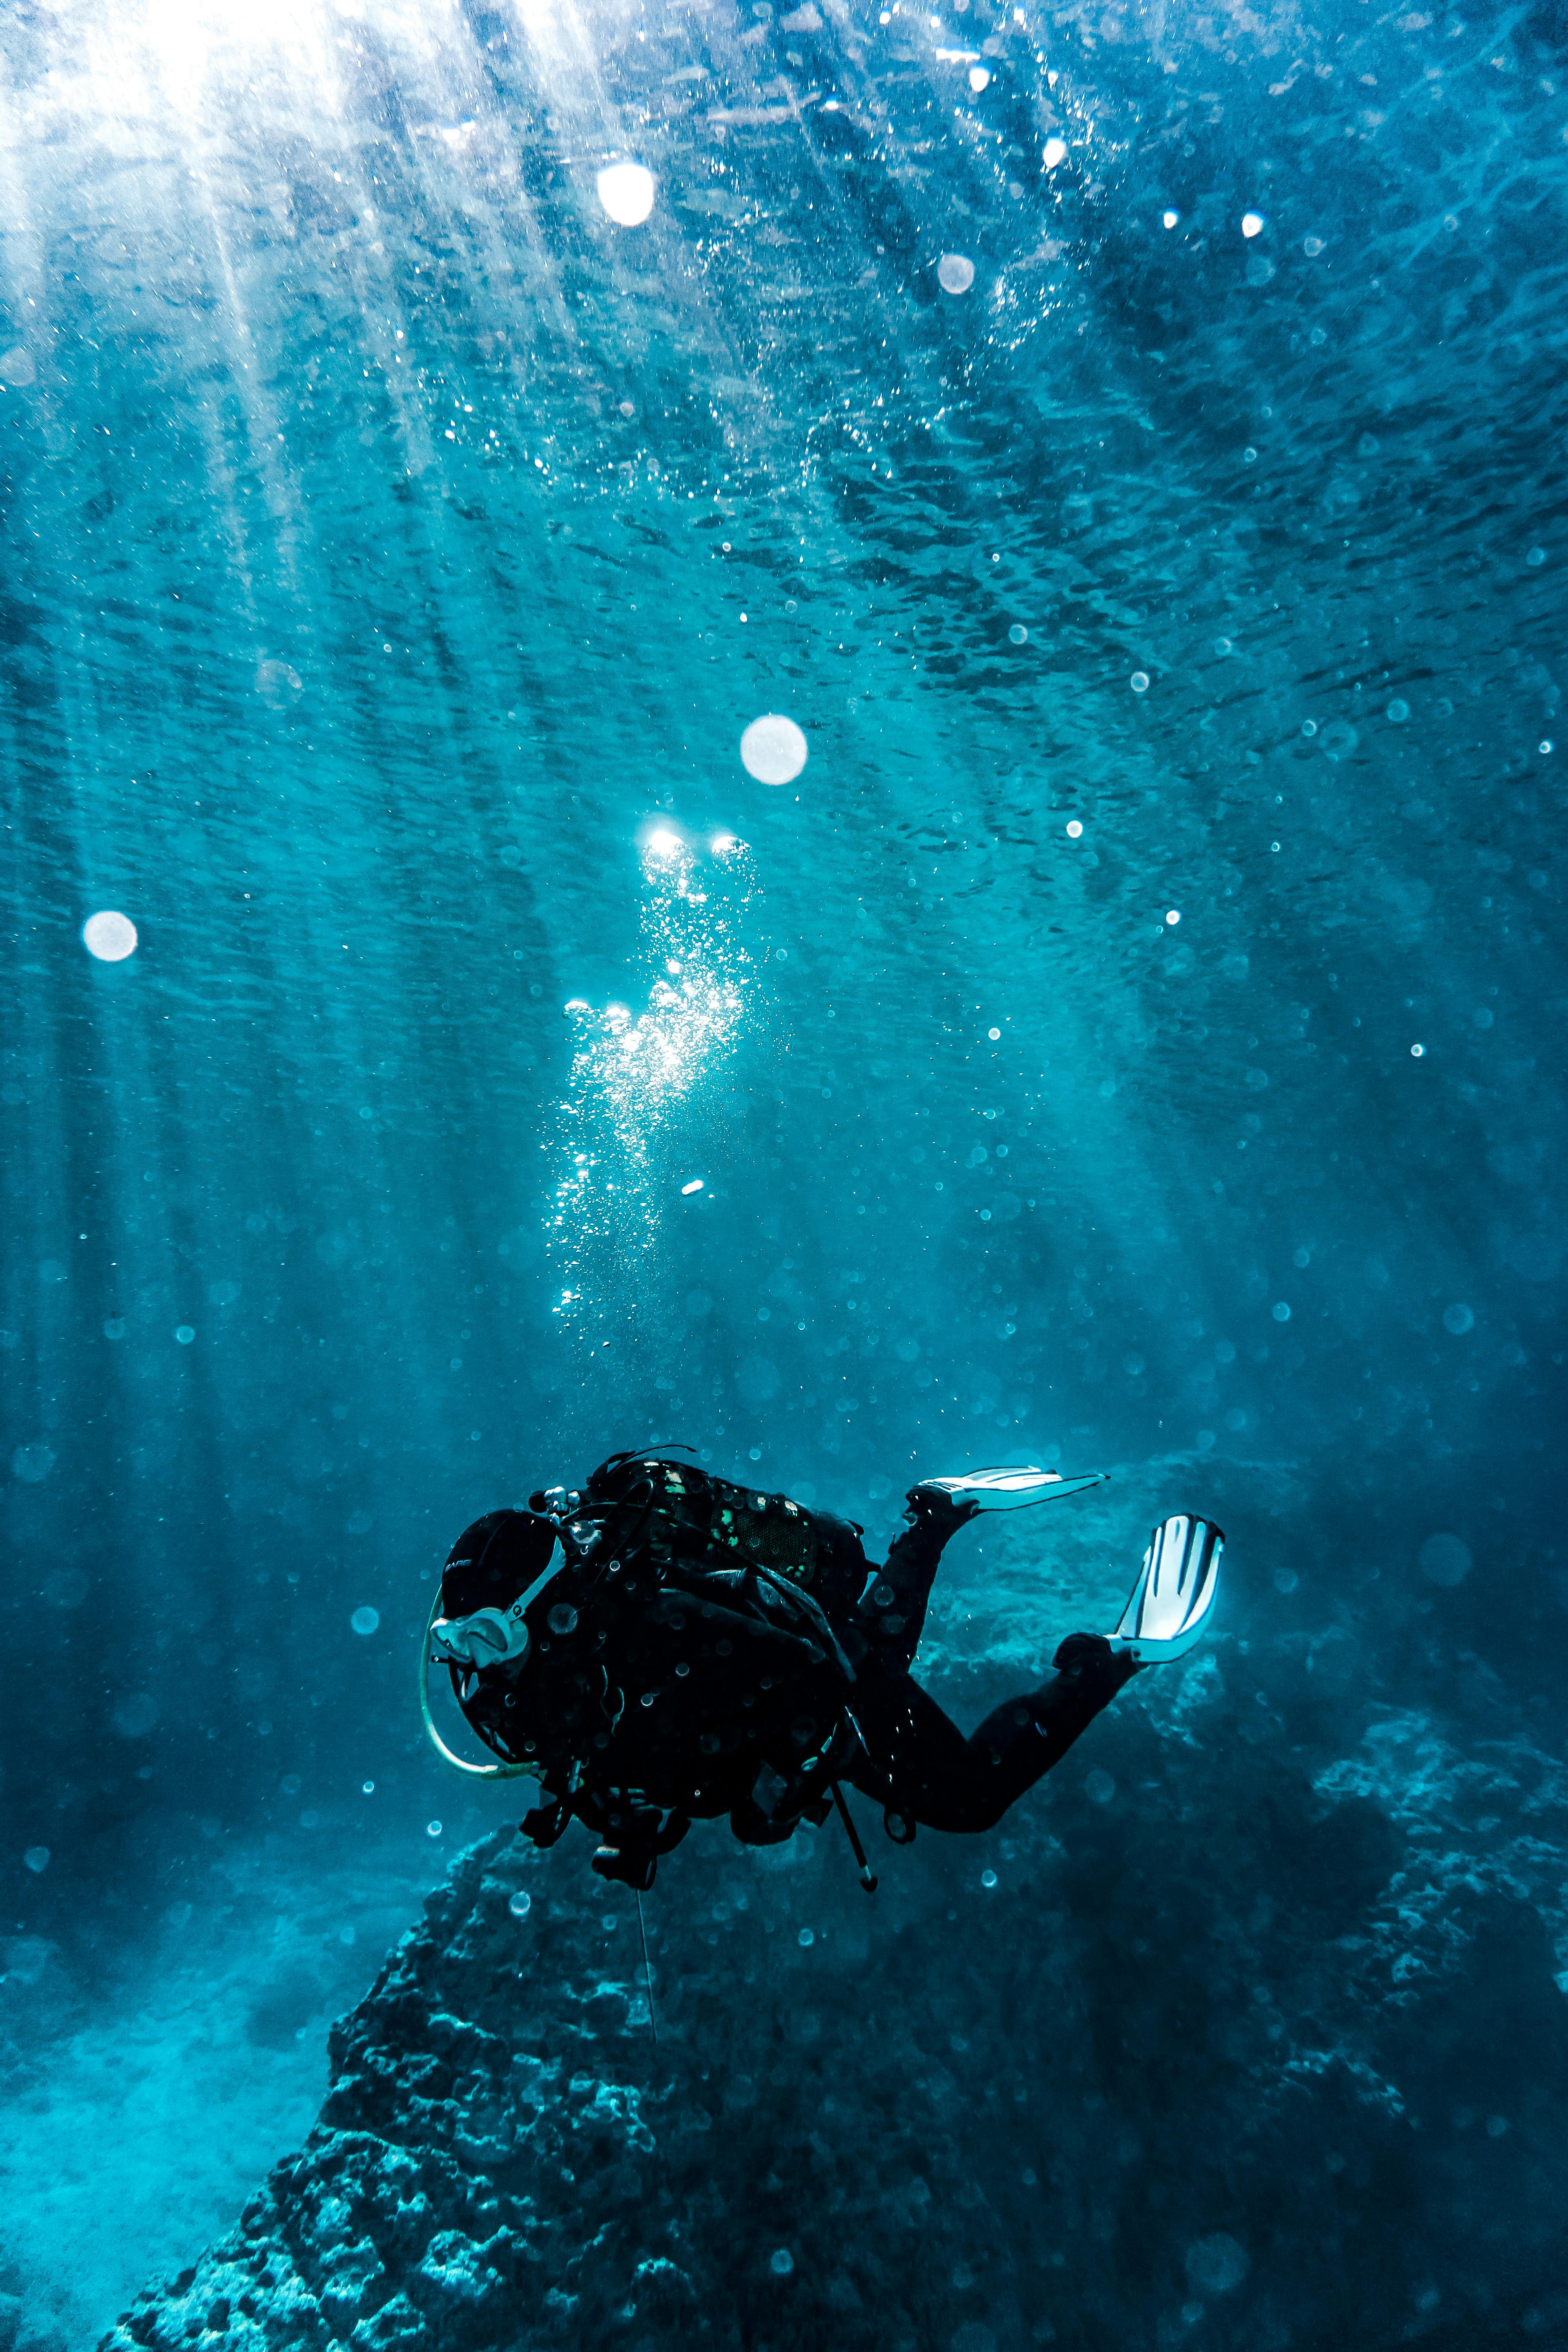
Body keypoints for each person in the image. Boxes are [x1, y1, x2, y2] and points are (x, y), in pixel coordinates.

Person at [419, 1450, 1222, 1891]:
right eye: (458, 1642)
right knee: (876, 1645)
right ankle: (934, 1518)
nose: (474, 1665)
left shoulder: (658, 1623)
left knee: (962, 1791)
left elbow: (813, 1674)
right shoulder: (502, 1688)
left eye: (487, 1636)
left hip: (799, 1667)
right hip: (749, 1704)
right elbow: (592, 1754)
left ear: (551, 1604)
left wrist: (790, 1772)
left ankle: (1109, 1656)